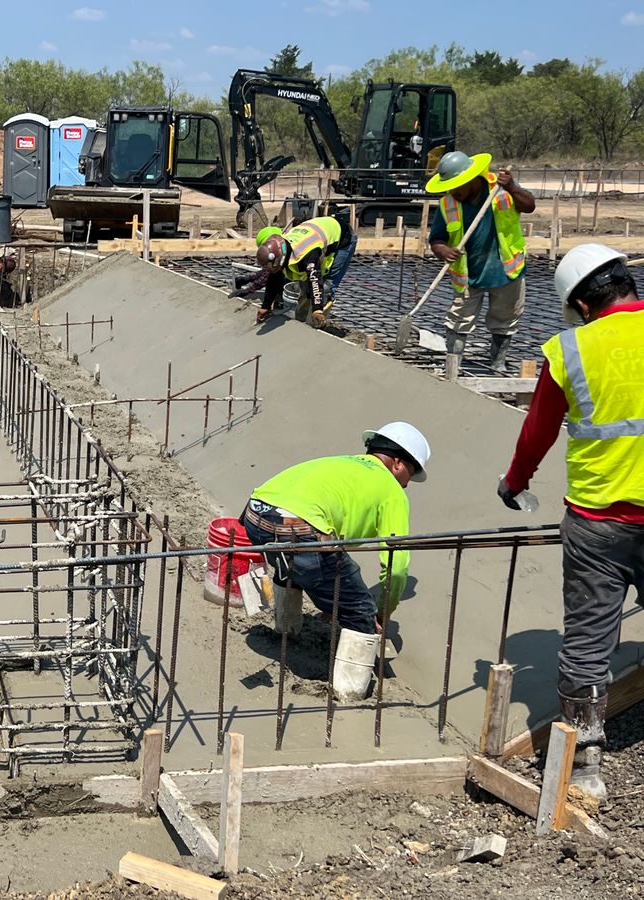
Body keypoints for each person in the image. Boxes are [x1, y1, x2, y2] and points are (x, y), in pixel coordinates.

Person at [497, 243, 644, 803]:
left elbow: (538, 430)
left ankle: (584, 765)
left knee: (587, 643)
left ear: (582, 302)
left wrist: (514, 482)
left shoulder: (569, 349)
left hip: (597, 523)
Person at [239, 422, 431, 700]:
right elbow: (396, 563)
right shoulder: (391, 490)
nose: (406, 485)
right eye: (409, 477)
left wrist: (332, 597)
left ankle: (286, 632)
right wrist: (379, 611)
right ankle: (350, 691)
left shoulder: (342, 463)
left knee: (290, 563)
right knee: (360, 611)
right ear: (399, 464)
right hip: (299, 528)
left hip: (256, 514)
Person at [426, 150, 535, 371]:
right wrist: (443, 251)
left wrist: (512, 187)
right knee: (459, 320)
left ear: (471, 179)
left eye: (457, 186)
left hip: (506, 271)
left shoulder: (501, 191)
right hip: (469, 275)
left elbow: (529, 206)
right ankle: (453, 365)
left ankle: (498, 364)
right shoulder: (448, 204)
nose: (453, 191)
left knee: (505, 320)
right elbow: (436, 239)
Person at [253, 214, 356, 328]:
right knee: (305, 287)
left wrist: (317, 310)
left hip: (342, 238)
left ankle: (317, 326)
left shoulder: (306, 253)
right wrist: (266, 306)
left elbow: (315, 280)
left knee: (326, 286)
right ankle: (300, 323)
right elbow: (274, 277)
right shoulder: (281, 248)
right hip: (319, 231)